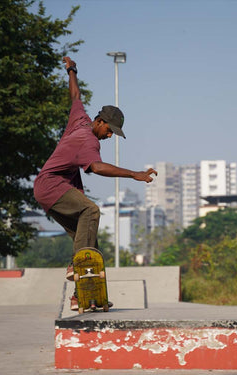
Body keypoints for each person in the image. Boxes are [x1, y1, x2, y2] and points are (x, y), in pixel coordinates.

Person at [33, 57, 157, 310]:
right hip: (52, 186)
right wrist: (134, 174)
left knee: (90, 245)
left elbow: (75, 96)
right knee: (91, 210)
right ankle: (73, 266)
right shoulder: (89, 142)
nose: (110, 136)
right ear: (99, 122)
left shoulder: (80, 119)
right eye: (109, 130)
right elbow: (97, 167)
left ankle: (84, 296)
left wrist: (72, 70)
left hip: (46, 190)